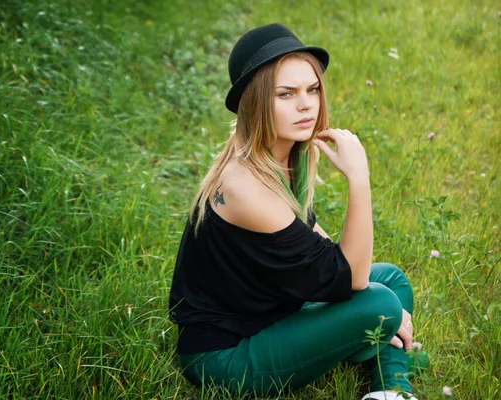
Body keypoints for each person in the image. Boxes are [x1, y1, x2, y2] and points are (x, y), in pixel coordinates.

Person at [168, 23, 420, 400]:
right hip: (226, 354)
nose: (306, 104)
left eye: (312, 89)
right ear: (254, 102)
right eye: (285, 94)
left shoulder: (281, 155)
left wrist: (367, 297)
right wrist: (359, 179)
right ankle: (387, 366)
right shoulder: (247, 188)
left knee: (391, 280)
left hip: (272, 308)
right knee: (381, 301)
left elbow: (331, 258)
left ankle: (389, 390)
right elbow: (350, 279)